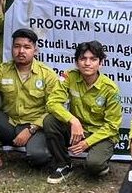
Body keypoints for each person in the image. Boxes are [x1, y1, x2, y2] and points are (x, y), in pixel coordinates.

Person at [0, 28, 60, 176]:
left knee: (39, 157)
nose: (21, 51)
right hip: (9, 124)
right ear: (11, 49)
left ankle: (36, 151)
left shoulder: (47, 74)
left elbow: (54, 107)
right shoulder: (2, 70)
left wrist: (31, 129)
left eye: (26, 47)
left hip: (35, 127)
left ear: (35, 50)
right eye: (17, 46)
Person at [43, 41, 122, 183]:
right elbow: (52, 103)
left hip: (101, 134)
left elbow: (112, 126)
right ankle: (63, 165)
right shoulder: (69, 77)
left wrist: (87, 143)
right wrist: (73, 120)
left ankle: (99, 165)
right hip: (77, 130)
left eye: (93, 59)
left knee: (93, 166)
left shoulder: (110, 89)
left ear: (101, 63)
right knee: (50, 120)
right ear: (76, 62)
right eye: (83, 59)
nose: (87, 63)